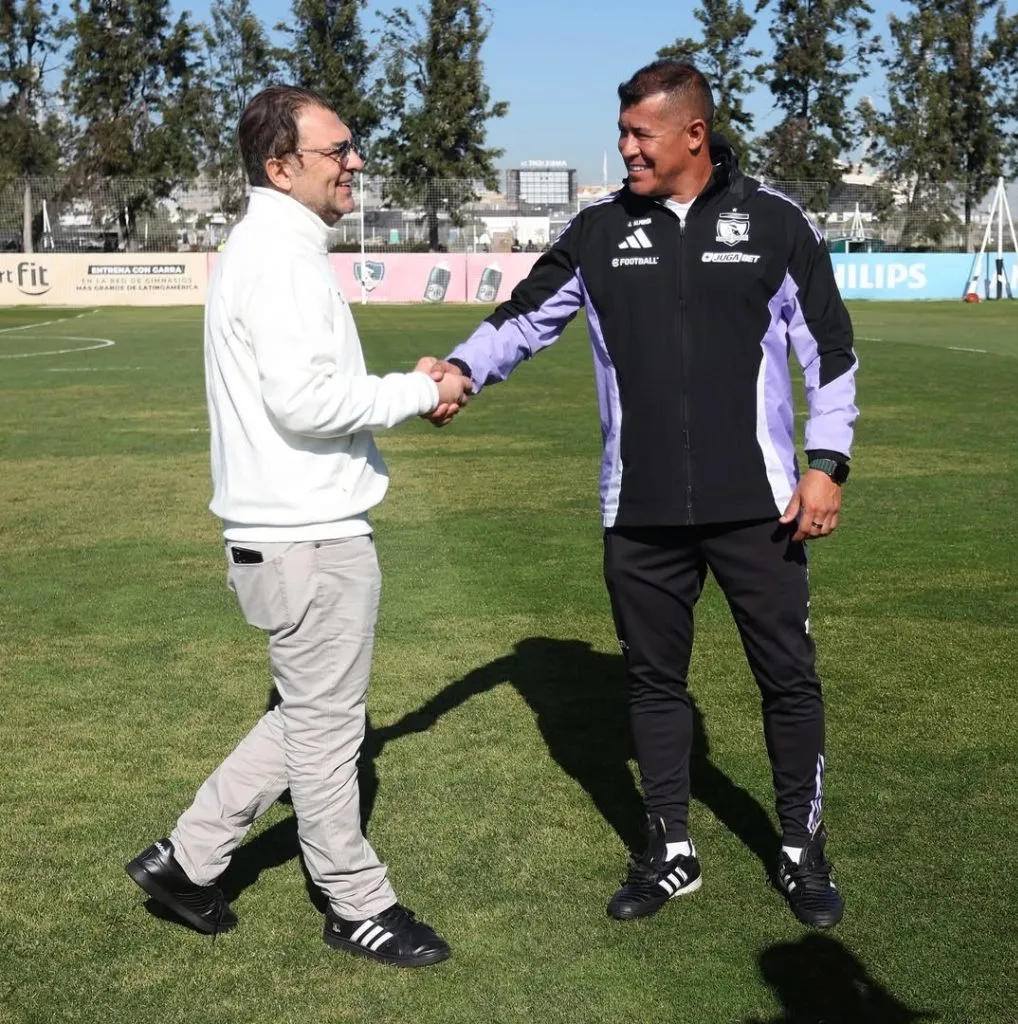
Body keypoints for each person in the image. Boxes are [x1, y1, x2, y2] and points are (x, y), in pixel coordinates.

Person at [429, 59, 857, 929]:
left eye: (640, 135)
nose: (625, 149)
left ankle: (802, 849)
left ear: (692, 134)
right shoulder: (597, 231)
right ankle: (668, 852)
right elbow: (526, 315)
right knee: (655, 685)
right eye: (622, 132)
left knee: (787, 679)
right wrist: (464, 368)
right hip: (640, 507)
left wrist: (828, 461)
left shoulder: (776, 224)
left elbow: (831, 350)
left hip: (761, 507)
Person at [125, 85, 470, 967]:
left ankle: (187, 860)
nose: (354, 161)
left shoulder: (275, 246)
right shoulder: (277, 254)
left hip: (293, 528)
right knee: (326, 729)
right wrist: (419, 390)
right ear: (282, 168)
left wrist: (405, 382)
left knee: (310, 715)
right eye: (338, 150)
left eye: (353, 146)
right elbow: (307, 399)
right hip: (304, 532)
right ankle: (356, 904)